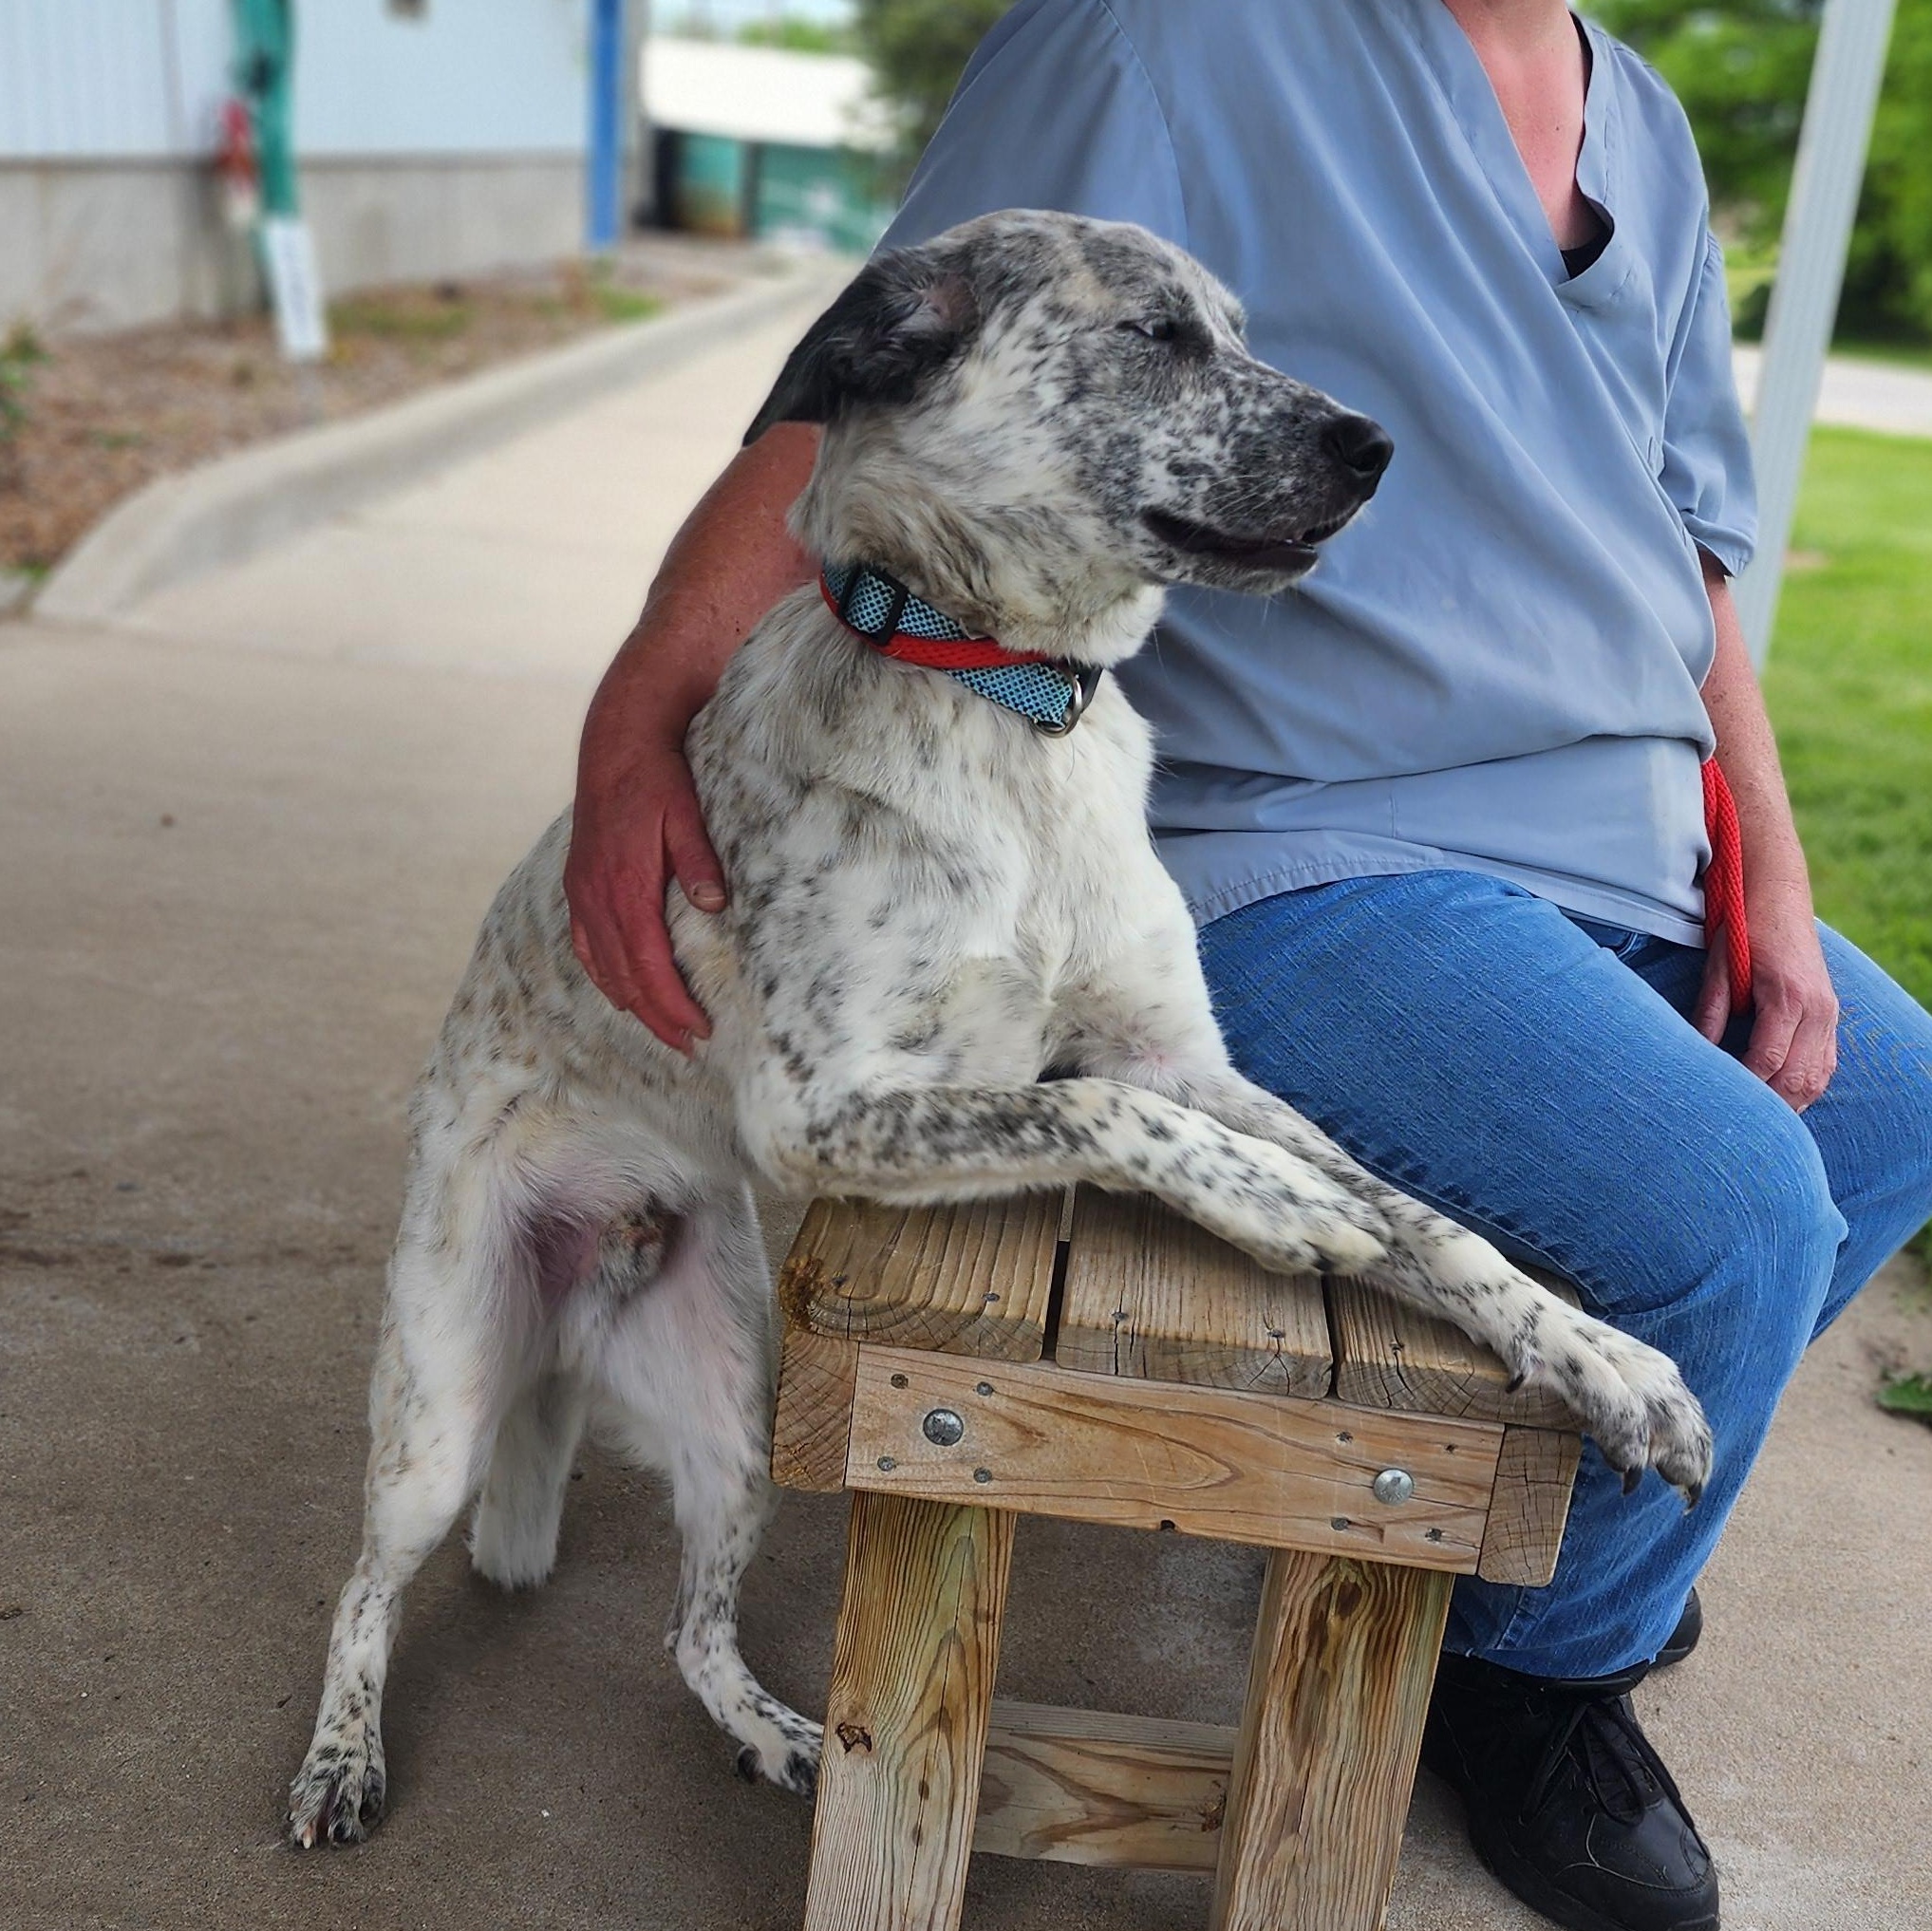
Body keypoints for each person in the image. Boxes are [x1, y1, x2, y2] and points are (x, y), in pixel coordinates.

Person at [563, 5, 1932, 1927]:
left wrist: (1767, 877)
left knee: (1895, 1111)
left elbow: (1689, 548)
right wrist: (641, 706)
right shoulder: (1171, 40)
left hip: (1620, 826)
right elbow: (857, 394)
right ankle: (1534, 1682)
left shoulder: (1643, 122)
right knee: (1737, 1215)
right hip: (1304, 831)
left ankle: (1540, 1544)